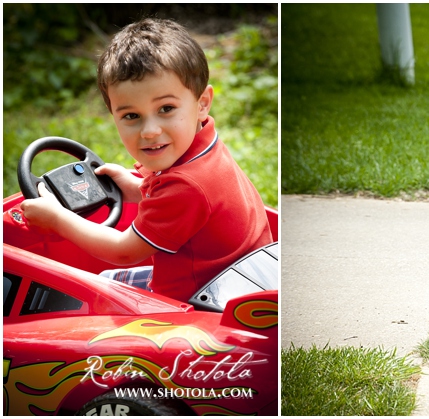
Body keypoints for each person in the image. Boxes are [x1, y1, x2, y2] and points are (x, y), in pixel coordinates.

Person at [20, 18, 273, 302]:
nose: (150, 131)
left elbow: (123, 250)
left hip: (196, 306)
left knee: (93, 295)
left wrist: (57, 218)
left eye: (166, 108)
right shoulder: (203, 149)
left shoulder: (187, 185)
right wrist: (135, 185)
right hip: (236, 281)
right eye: (131, 116)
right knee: (104, 282)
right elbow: (190, 208)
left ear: (202, 103)